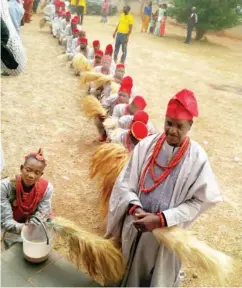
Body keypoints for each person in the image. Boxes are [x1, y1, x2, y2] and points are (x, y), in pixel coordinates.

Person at [105, 89, 222, 286]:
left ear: (190, 126)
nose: (172, 130)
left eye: (179, 126)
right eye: (169, 123)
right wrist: (135, 208)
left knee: (158, 278)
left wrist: (162, 219)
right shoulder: (147, 145)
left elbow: (198, 201)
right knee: (127, 273)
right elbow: (126, 182)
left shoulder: (197, 158)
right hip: (136, 226)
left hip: (166, 236)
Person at [1, 149, 54, 248]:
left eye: (37, 173)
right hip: (13, 226)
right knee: (13, 250)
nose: (31, 176)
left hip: (33, 227)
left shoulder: (46, 188)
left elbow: (44, 213)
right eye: (28, 170)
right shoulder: (5, 186)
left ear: (41, 175)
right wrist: (24, 227)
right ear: (22, 168)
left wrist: (37, 219)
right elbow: (5, 221)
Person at [1, 0, 27, 76]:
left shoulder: (10, 5)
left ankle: (8, 67)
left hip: (8, 29)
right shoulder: (16, 4)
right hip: (12, 29)